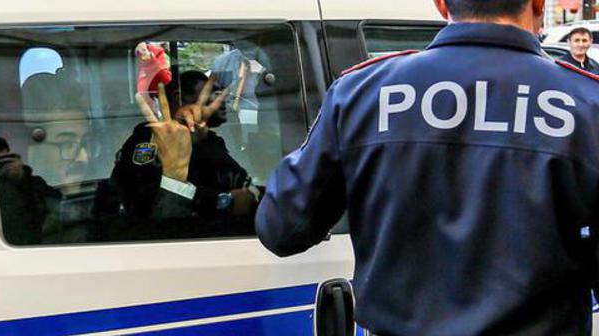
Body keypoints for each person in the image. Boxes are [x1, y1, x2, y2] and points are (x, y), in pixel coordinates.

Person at [255, 0, 599, 335]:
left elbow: (282, 228)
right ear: (539, 4)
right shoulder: (587, 104)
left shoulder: (363, 93)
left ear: (440, 4)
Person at [93, 71, 260, 240]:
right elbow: (146, 210)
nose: (222, 100)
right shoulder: (148, 140)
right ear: (180, 97)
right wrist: (221, 201)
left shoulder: (210, 142)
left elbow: (245, 186)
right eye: (214, 93)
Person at [0, 136, 61, 245]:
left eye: (5, 160)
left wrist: (23, 176)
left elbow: (57, 199)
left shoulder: (31, 181)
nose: (3, 166)